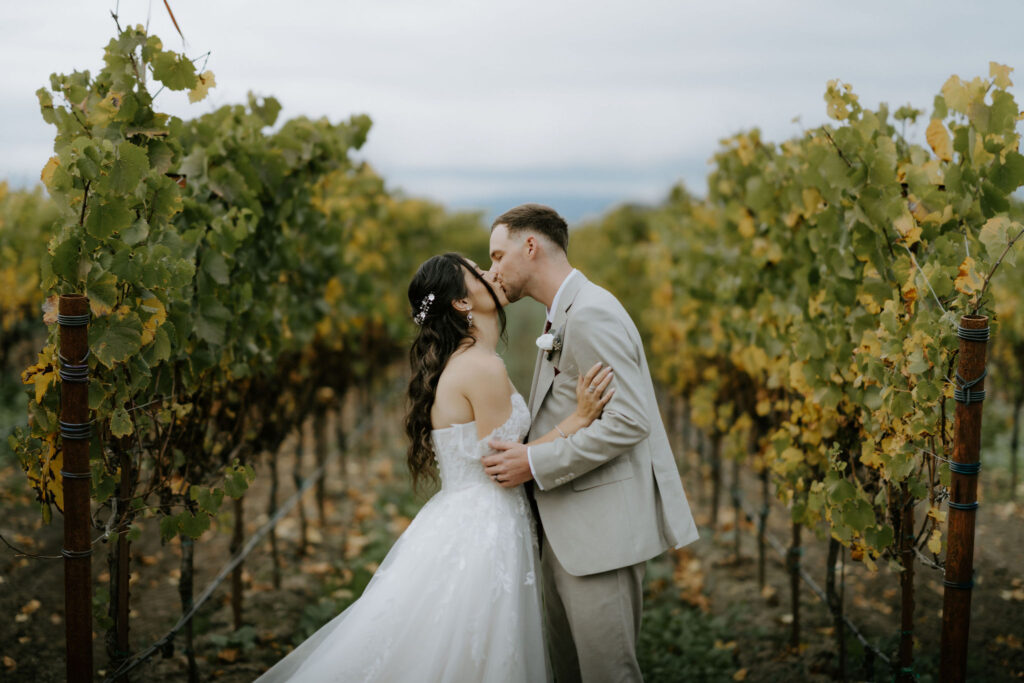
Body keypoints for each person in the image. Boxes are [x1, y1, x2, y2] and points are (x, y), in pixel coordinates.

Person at [254, 252, 613, 683]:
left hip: (468, 516)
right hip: (486, 525)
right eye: (477, 271)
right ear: (462, 304)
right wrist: (579, 419)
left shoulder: (467, 361)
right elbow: (504, 464)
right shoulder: (481, 367)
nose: (489, 272)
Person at [484, 204, 699, 683]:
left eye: (498, 256)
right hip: (567, 531)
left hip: (600, 537)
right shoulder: (561, 313)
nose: (493, 271)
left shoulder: (590, 314)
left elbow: (629, 421)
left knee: (608, 674)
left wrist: (534, 463)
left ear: (531, 246)